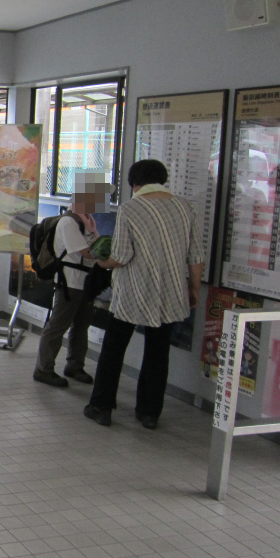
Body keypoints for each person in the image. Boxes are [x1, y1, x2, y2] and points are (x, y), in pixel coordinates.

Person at [84, 159, 204, 429]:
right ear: (163, 180)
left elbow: (122, 257)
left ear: (135, 184)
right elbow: (196, 255)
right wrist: (193, 288)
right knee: (158, 352)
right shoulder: (186, 208)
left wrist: (101, 263)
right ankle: (149, 413)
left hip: (132, 292)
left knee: (114, 348)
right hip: (171, 293)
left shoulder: (131, 208)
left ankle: (101, 406)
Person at [33, 171, 109, 388]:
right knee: (58, 325)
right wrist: (111, 258)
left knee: (81, 325)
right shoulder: (69, 222)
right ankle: (43, 368)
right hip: (70, 282)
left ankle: (75, 366)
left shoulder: (87, 221)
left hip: (84, 282)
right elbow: (86, 252)